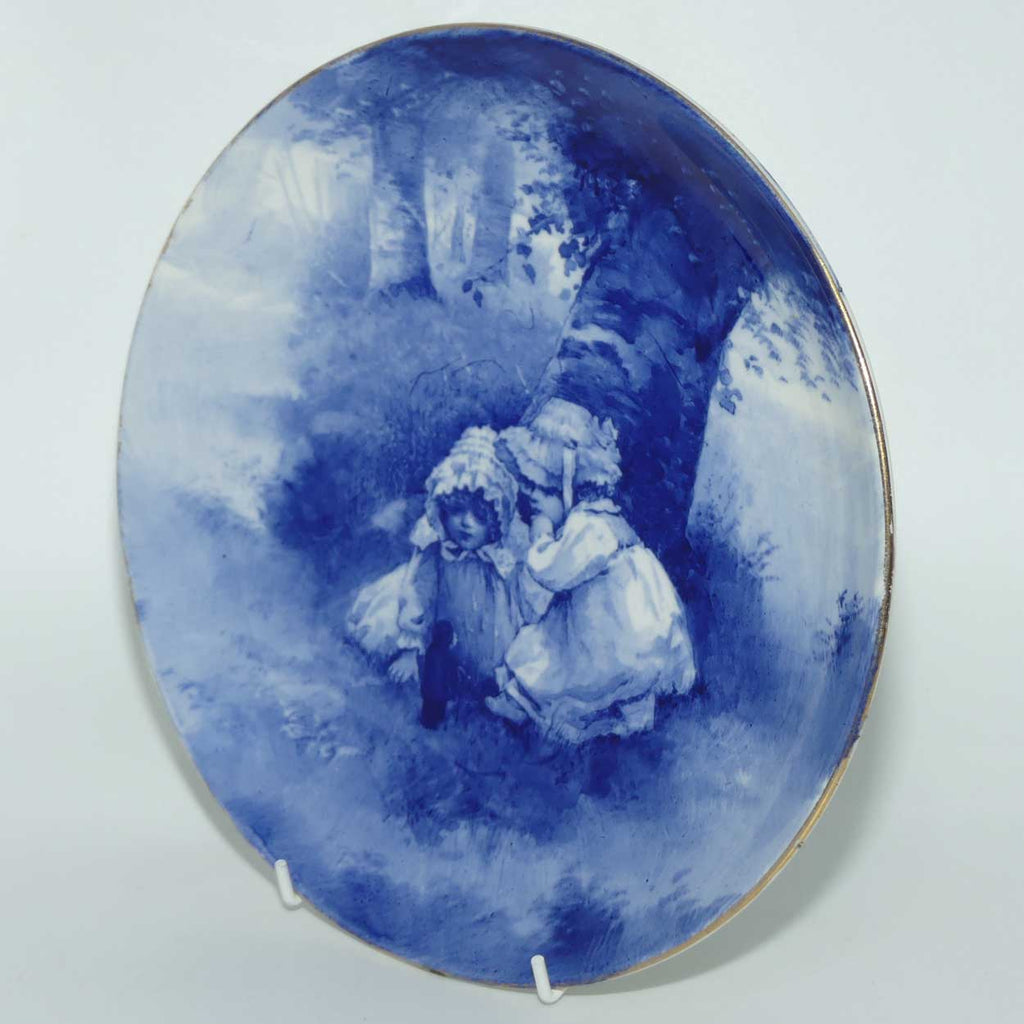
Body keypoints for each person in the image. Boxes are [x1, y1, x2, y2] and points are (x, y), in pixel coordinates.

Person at [487, 399, 696, 742]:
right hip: (650, 635)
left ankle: (519, 702)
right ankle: (635, 719)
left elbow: (552, 572)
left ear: (569, 486)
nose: (533, 500)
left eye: (544, 491)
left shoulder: (587, 526)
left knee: (548, 643)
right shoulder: (610, 519)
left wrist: (541, 538)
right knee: (628, 676)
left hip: (616, 645)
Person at [347, 426, 535, 728]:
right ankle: (433, 708)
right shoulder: (437, 553)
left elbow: (520, 603)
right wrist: (411, 650)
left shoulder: (499, 559)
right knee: (438, 667)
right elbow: (418, 598)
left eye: (479, 516)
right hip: (444, 639)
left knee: (491, 677)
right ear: (442, 511)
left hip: (489, 642)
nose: (466, 523)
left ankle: (498, 699)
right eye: (457, 511)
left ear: (495, 521)